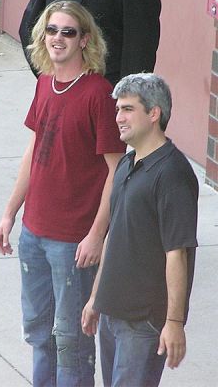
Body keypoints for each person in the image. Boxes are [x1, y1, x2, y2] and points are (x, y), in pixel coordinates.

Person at [0, 0, 125, 387]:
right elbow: (34, 152)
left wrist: (96, 235)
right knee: (39, 335)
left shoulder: (99, 94)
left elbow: (117, 172)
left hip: (73, 242)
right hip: (34, 234)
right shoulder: (44, 84)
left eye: (68, 32)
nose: (58, 38)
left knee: (72, 343)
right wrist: (9, 213)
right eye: (52, 30)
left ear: (85, 40)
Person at [82, 73, 199, 387]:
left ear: (154, 113)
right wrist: (96, 297)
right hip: (111, 312)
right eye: (118, 109)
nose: (118, 117)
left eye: (127, 109)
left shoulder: (173, 174)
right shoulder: (127, 163)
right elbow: (114, 235)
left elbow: (178, 253)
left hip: (143, 321)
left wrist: (174, 322)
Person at [19, 0, 161, 85]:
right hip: (58, 94)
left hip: (107, 96)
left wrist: (126, 102)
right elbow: (29, 27)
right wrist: (50, 80)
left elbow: (140, 47)